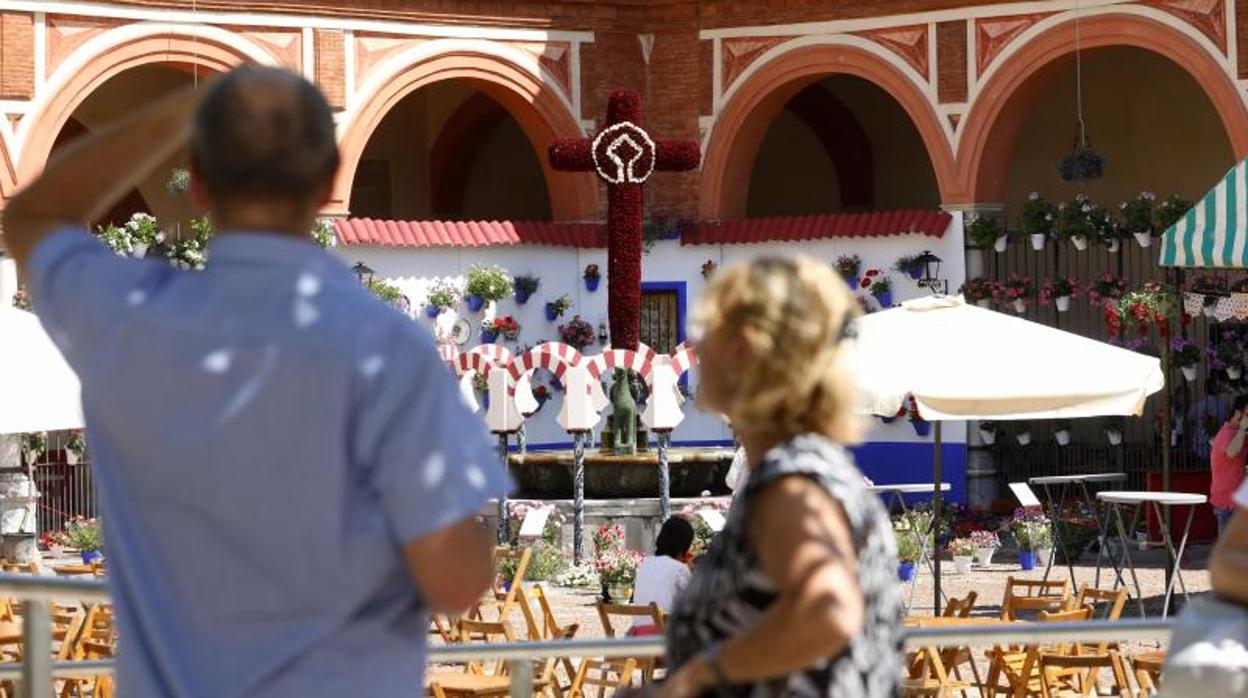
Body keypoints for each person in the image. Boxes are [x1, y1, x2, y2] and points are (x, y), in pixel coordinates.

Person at [1, 66, 508, 696]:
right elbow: (454, 581)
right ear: (329, 182)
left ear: (202, 185)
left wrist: (182, 110)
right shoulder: (386, 349)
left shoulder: (128, 319)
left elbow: (32, 214)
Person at [659, 257, 901, 698]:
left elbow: (828, 612)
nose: (693, 343)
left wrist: (698, 676)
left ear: (744, 348)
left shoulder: (794, 484)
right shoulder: (805, 471)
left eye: (706, 328)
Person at [630, 516, 695, 635]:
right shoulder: (679, 569)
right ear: (684, 547)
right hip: (665, 638)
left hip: (637, 635)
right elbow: (695, 602)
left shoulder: (645, 563)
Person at [1210, 396, 1248, 535]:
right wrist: (1243, 428)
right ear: (1238, 414)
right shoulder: (1227, 433)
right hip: (1228, 504)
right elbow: (1232, 452)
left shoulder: (1238, 434)